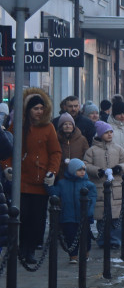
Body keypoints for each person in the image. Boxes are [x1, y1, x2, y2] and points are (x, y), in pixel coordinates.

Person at [2, 88, 61, 263]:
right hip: (22, 180)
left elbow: (55, 152)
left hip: (40, 180)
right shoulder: (18, 126)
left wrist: (52, 172)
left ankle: (31, 249)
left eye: (41, 108)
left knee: (38, 218)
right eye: (35, 108)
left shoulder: (49, 127)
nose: (39, 112)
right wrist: (7, 167)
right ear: (28, 110)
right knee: (22, 216)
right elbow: (7, 149)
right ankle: (22, 248)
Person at [83, 120, 124, 249]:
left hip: (116, 188)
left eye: (111, 132)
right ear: (100, 134)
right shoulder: (92, 150)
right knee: (102, 216)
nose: (109, 135)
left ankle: (114, 241)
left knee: (116, 217)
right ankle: (102, 240)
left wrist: (118, 168)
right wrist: (97, 171)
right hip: (99, 187)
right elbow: (86, 165)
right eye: (106, 132)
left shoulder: (118, 148)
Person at [48, 158, 96, 263]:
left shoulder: (89, 185)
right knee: (70, 236)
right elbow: (55, 194)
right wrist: (49, 185)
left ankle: (86, 253)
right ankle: (73, 256)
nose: (82, 172)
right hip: (68, 215)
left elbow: (92, 200)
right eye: (79, 170)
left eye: (84, 169)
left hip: (83, 216)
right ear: (72, 170)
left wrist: (89, 213)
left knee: (86, 237)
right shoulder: (62, 184)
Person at [55, 112, 89, 179]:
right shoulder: (55, 139)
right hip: (61, 175)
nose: (68, 126)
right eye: (65, 124)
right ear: (61, 126)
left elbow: (87, 155)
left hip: (78, 175)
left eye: (70, 124)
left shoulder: (82, 139)